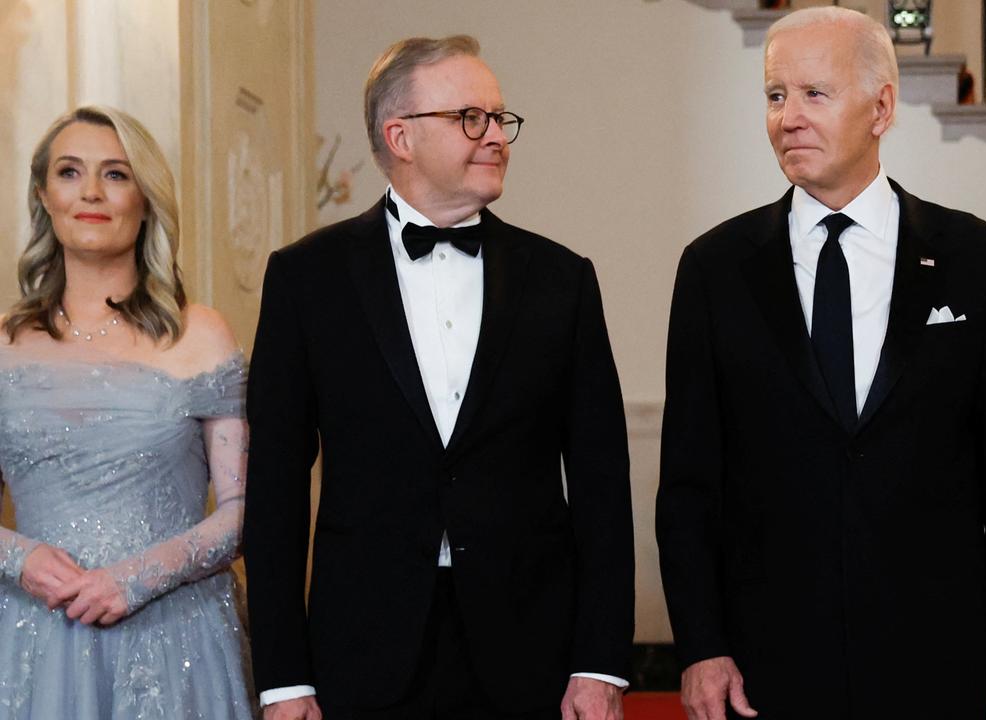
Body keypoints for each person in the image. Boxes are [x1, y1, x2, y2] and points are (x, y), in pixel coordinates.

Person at [655, 7, 986, 719]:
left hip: (938, 656)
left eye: (815, 94)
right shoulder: (715, 269)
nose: (788, 118)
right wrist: (700, 646)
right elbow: (689, 486)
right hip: (766, 665)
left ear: (882, 107)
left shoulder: (976, 260)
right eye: (776, 96)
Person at [243, 36, 634, 720]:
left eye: (500, 119)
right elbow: (274, 488)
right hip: (363, 653)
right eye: (469, 118)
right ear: (400, 136)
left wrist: (600, 662)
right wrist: (283, 679)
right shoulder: (308, 279)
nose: (495, 138)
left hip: (530, 653)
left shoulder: (562, 281)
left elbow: (603, 486)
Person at [0, 106, 253, 717]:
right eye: (69, 172)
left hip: (175, 638)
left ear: (145, 198)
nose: (90, 191)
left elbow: (247, 511)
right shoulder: (3, 346)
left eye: (115, 174)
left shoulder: (201, 334)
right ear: (43, 194)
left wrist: (138, 577)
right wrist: (21, 558)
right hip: (30, 639)